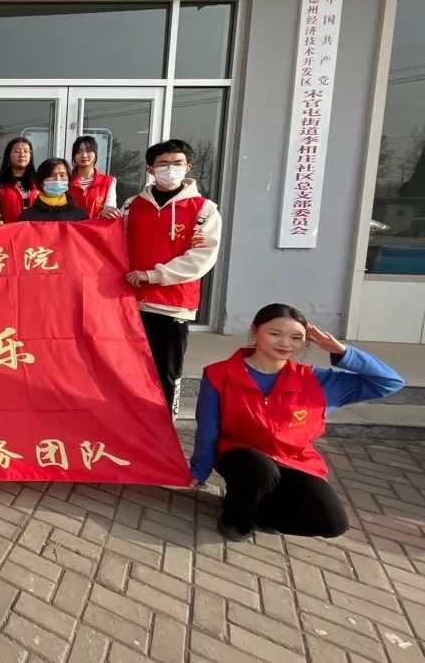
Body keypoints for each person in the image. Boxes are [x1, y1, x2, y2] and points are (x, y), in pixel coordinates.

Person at [191, 304, 404, 541]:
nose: (285, 343)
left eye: (296, 337)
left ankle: (259, 510)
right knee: (260, 470)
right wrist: (199, 471)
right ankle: (235, 519)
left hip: (292, 460)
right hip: (239, 455)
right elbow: (208, 428)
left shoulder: (317, 381)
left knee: (333, 523)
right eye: (275, 334)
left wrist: (342, 352)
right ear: (255, 331)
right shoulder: (220, 374)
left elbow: (390, 382)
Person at [123, 139, 222, 417]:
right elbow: (114, 244)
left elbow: (202, 257)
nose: (170, 169)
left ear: (188, 167)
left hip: (172, 305)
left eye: (177, 163)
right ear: (151, 169)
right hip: (131, 302)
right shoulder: (132, 206)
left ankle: (165, 430)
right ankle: (131, 427)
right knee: (129, 369)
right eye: (163, 164)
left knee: (166, 372)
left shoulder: (203, 209)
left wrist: (154, 275)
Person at [0, 137, 38, 223]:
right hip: (7, 230)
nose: (22, 155)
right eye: (17, 151)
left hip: (34, 230)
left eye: (26, 151)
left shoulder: (38, 181)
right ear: (8, 155)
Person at [21, 159, 89, 222]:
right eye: (51, 175)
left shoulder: (79, 214)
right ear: (41, 182)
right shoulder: (27, 215)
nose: (58, 179)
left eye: (62, 175)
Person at [68, 135, 119, 219]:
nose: (84, 155)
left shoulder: (108, 182)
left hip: (96, 227)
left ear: (95, 153)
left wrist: (103, 214)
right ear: (74, 156)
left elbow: (109, 210)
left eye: (88, 151)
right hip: (70, 227)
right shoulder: (66, 182)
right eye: (79, 152)